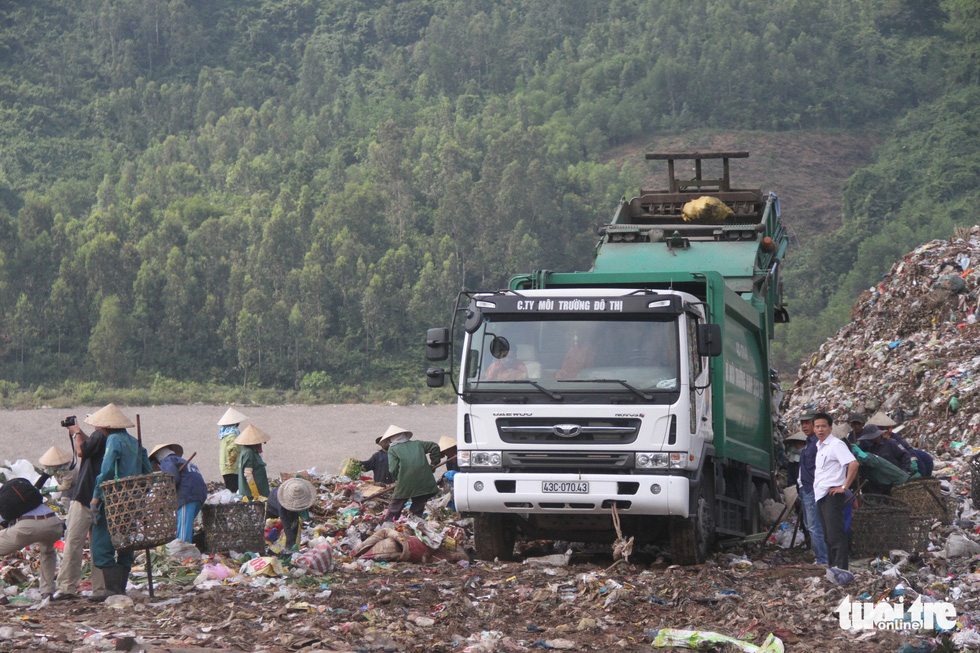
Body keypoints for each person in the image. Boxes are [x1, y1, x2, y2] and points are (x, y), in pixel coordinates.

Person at [89, 404, 153, 600]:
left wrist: (96, 497)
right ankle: (120, 589)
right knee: (126, 541)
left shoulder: (114, 439)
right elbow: (147, 472)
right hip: (133, 501)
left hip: (114, 500)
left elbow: (107, 471)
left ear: (105, 426)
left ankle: (111, 590)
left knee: (102, 542)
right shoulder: (135, 442)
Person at [52, 419, 108, 601]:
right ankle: (100, 589)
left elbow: (81, 450)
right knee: (98, 546)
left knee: (73, 543)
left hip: (85, 497)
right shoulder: (113, 439)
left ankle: (66, 588)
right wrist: (79, 432)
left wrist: (75, 432)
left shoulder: (101, 435)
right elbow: (89, 444)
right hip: (103, 501)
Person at [0, 480, 63, 600]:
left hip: (28, 527)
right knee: (48, 552)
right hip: (53, 524)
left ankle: (1, 596)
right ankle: (47, 592)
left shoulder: (4, 500)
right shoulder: (26, 493)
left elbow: (3, 523)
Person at [813, 412, 859, 571]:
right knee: (828, 537)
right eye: (817, 426)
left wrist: (844, 487)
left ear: (830, 428)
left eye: (823, 426)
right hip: (821, 496)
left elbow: (853, 464)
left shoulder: (836, 445)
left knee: (836, 535)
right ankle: (833, 569)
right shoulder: (819, 446)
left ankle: (841, 570)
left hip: (833, 495)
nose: (820, 429)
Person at [380, 425, 441, 524]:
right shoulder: (418, 444)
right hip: (424, 479)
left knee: (397, 503)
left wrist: (397, 479)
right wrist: (434, 463)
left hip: (405, 480)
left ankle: (388, 524)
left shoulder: (393, 449)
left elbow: (392, 469)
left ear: (391, 439)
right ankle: (414, 523)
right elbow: (434, 446)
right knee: (419, 502)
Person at [149, 444, 207, 544]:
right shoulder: (181, 461)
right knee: (187, 524)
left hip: (187, 495)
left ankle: (182, 554)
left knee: (184, 528)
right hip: (200, 494)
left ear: (157, 460)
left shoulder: (167, 461)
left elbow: (173, 479)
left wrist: (163, 492)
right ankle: (187, 549)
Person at [795, 410, 828, 566]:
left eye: (807, 423)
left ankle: (823, 559)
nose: (804, 426)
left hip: (812, 488)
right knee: (811, 525)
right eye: (802, 423)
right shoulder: (809, 442)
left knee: (815, 526)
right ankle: (820, 557)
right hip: (805, 488)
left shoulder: (818, 443)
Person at [267, 477, 316, 550]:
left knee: (294, 522)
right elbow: (285, 521)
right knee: (274, 529)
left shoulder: (298, 489)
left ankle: (292, 542)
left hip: (288, 507)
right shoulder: (281, 502)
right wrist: (291, 539)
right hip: (273, 508)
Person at [35, 445, 77, 511]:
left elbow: (65, 486)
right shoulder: (52, 467)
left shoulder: (69, 469)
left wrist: (48, 489)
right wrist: (36, 488)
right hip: (65, 486)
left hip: (75, 486)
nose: (47, 468)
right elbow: (44, 477)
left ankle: (65, 512)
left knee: (65, 502)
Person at [236, 425, 271, 500]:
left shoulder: (249, 450)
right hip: (251, 495)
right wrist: (255, 494)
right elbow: (248, 474)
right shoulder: (249, 453)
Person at [218, 407, 247, 493]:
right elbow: (233, 447)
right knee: (233, 490)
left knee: (230, 489)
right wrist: (232, 459)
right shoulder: (233, 433)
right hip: (232, 467)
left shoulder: (224, 433)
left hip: (225, 467)